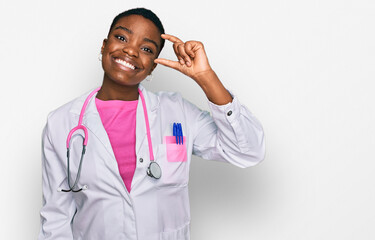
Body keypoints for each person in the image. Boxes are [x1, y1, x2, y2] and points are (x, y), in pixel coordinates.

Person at [38, 7, 265, 240]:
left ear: (153, 65)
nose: (130, 50)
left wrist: (206, 77)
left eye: (146, 48)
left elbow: (248, 151)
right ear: (104, 45)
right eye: (121, 37)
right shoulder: (62, 122)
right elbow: (56, 218)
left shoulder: (177, 112)